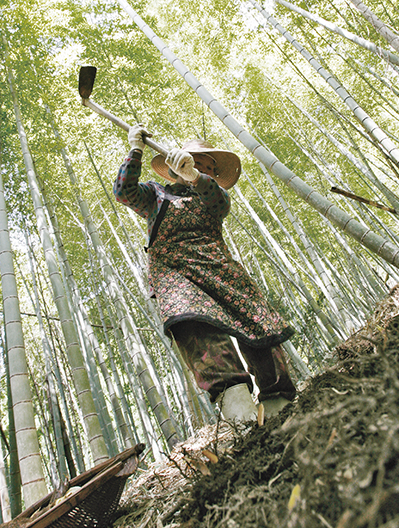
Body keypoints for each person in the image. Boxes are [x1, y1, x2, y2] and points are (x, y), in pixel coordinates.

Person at [113, 124, 296, 424]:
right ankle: (243, 419)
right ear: (176, 164)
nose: (206, 171)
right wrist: (135, 150)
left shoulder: (214, 197)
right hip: (177, 279)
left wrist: (196, 177)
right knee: (201, 338)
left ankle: (281, 408)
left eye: (210, 169)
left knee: (260, 326)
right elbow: (124, 192)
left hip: (221, 270)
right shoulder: (155, 195)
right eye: (198, 162)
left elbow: (219, 202)